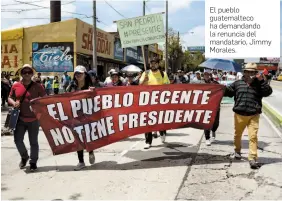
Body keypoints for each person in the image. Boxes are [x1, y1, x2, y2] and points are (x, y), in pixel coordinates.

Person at [225, 63, 273, 169]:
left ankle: (252, 158)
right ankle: (237, 151)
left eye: (252, 72)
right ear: (244, 72)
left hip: (253, 115)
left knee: (253, 137)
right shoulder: (237, 83)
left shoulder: (259, 84)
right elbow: (228, 93)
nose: (250, 74)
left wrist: (262, 81)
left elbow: (268, 92)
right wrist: (221, 88)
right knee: (238, 135)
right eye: (248, 71)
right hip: (239, 115)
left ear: (256, 73)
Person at [8, 64, 46, 171]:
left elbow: (45, 99)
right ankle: (24, 157)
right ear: (21, 73)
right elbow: (10, 97)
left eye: (29, 72)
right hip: (20, 119)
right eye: (25, 72)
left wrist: (38, 105)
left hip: (34, 119)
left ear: (32, 73)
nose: (27, 74)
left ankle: (33, 162)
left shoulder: (38, 86)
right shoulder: (16, 85)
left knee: (33, 142)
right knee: (17, 140)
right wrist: (13, 102)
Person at [67, 65, 95, 171]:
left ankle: (91, 150)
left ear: (85, 75)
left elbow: (98, 99)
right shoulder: (72, 86)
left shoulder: (90, 86)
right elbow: (64, 98)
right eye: (76, 73)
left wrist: (93, 92)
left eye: (80, 73)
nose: (78, 75)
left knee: (88, 136)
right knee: (78, 138)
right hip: (75, 116)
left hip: (88, 116)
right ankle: (81, 161)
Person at [139, 57, 170, 149]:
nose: (153, 65)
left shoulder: (162, 74)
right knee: (148, 120)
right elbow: (139, 85)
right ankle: (148, 141)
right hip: (148, 102)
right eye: (151, 63)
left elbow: (167, 86)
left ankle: (162, 132)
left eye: (155, 63)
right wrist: (145, 80)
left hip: (160, 101)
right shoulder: (146, 73)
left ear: (158, 64)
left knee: (160, 119)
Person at [203, 70, 220, 146]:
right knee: (206, 123)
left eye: (208, 74)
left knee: (216, 123)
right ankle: (207, 138)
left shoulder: (215, 83)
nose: (207, 76)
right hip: (205, 106)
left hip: (215, 106)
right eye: (205, 74)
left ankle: (213, 130)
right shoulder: (200, 84)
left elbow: (221, 90)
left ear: (211, 75)